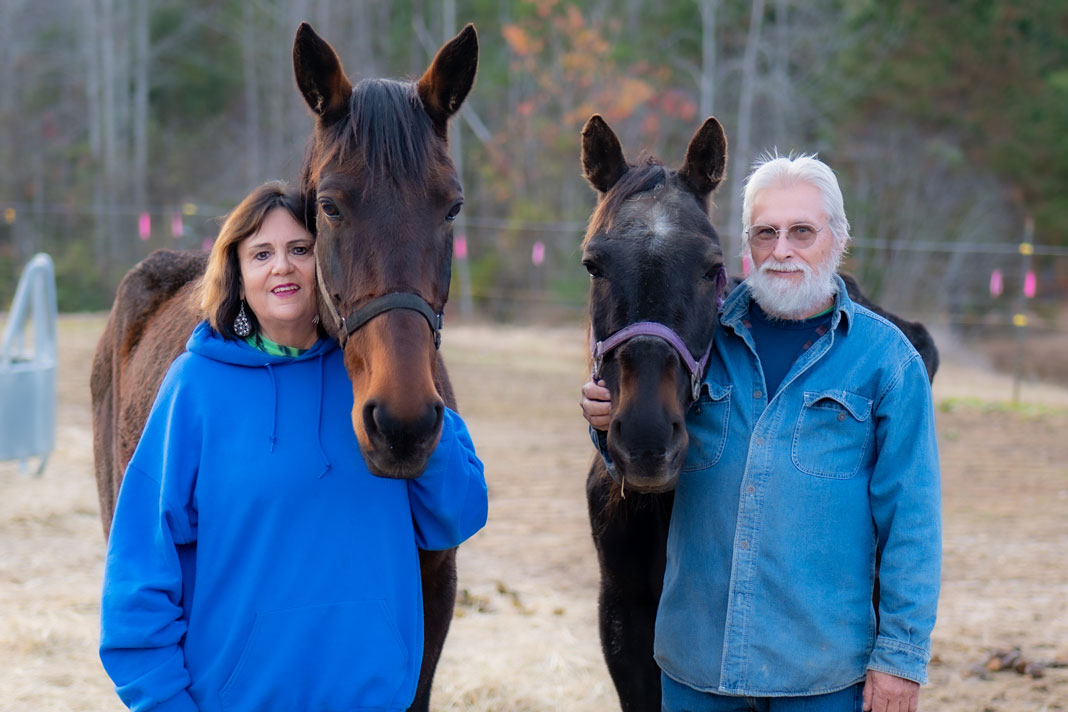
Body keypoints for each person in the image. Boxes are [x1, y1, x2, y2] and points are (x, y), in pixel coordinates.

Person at [99, 181, 489, 712]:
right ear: (237, 274)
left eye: (299, 250)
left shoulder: (376, 380)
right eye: (261, 254)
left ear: (329, 261)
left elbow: (458, 515)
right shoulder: (194, 388)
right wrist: (163, 701)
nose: (281, 267)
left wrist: (416, 401)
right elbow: (139, 574)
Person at [581, 154, 941, 712]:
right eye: (766, 233)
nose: (782, 250)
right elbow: (645, 440)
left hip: (822, 677)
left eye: (802, 232)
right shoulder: (702, 342)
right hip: (700, 671)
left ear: (838, 240)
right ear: (745, 245)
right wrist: (607, 427)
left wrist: (900, 659)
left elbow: (912, 522)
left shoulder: (887, 361)